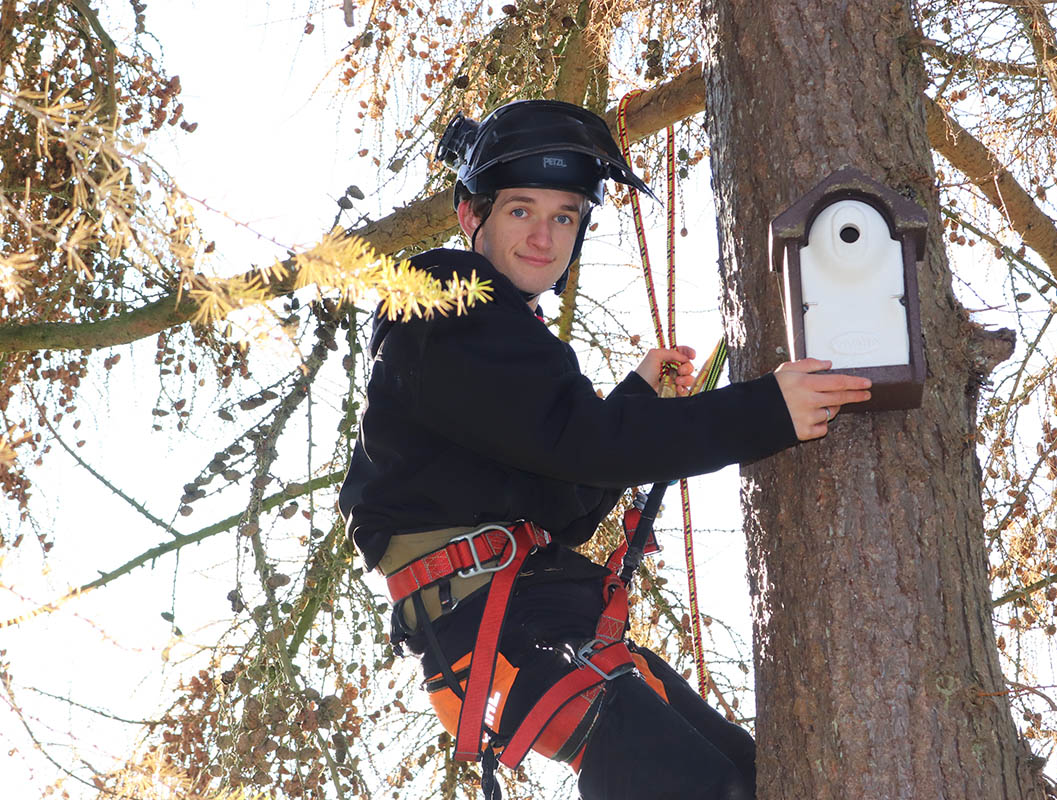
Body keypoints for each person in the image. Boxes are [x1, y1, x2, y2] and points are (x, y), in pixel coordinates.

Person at [338, 99, 872, 800]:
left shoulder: (509, 342)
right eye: (521, 210)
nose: (543, 236)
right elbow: (585, 447)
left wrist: (635, 403)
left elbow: (566, 501)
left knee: (753, 780)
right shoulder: (446, 304)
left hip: (535, 612)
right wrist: (768, 412)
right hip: (496, 621)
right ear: (473, 216)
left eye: (564, 215)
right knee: (703, 787)